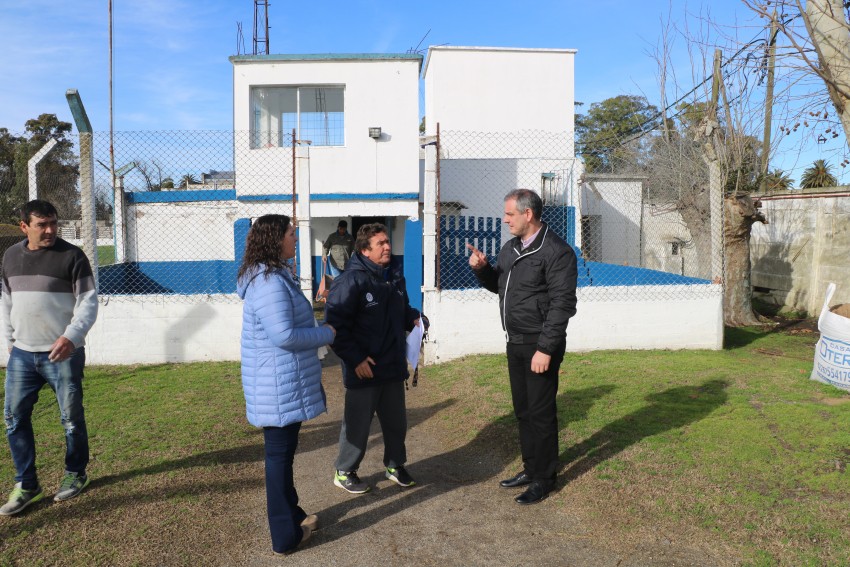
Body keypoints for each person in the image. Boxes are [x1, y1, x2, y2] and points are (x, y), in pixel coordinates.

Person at [467, 189, 577, 505]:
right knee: (524, 412)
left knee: (541, 414)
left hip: (539, 345)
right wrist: (483, 270)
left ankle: (545, 478)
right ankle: (531, 469)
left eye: (509, 215)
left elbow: (562, 304)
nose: (505, 220)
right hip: (515, 342)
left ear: (527, 214)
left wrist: (545, 348)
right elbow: (499, 287)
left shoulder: (556, 251)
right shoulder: (510, 248)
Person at [237, 214, 335, 555]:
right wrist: (328, 333)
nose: (296, 239)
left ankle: (293, 516)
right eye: (292, 234)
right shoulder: (268, 282)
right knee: (279, 460)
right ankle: (285, 537)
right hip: (275, 386)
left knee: (284, 457)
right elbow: (284, 335)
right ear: (274, 239)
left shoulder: (276, 275)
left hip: (280, 383)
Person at [1, 199, 99, 516]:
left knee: (71, 419)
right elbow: (6, 303)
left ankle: (76, 473)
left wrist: (71, 337)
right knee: (14, 419)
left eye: (53, 223)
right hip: (22, 354)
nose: (50, 230)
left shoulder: (73, 256)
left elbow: (88, 303)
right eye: (42, 224)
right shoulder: (10, 257)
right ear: (24, 227)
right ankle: (27, 484)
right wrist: (10, 343)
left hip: (63, 354)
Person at [325, 223, 427, 494]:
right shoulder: (350, 282)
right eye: (380, 243)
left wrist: (415, 317)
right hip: (364, 369)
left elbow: (402, 309)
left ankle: (395, 465)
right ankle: (344, 470)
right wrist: (356, 359)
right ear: (364, 250)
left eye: (387, 241)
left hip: (392, 365)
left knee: (396, 423)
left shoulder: (393, 276)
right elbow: (335, 327)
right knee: (357, 424)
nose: (387, 246)